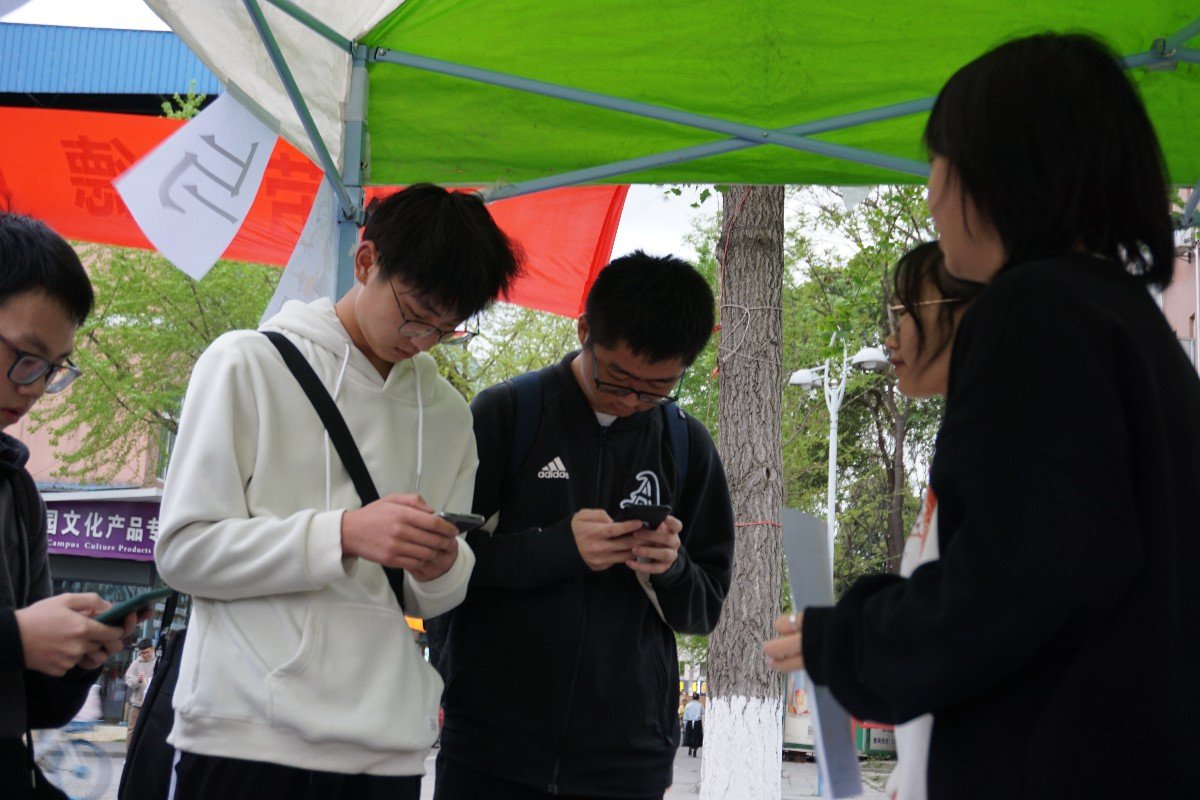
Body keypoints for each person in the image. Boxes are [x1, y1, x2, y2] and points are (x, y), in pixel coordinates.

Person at [764, 33, 1200, 798]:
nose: (932, 194)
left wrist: (851, 640)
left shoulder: (1037, 309)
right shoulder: (1130, 325)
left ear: (1003, 170)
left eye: (942, 162)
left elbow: (1012, 582)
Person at [155, 184, 522, 800]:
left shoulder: (448, 414)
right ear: (366, 261)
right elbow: (183, 553)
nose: (422, 340)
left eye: (445, 329)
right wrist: (344, 534)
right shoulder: (246, 364)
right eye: (416, 313)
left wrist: (442, 564)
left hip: (386, 748)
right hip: (245, 735)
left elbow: (431, 598)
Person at [433, 251, 735, 799]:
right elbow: (439, 568)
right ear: (584, 331)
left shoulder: (687, 445)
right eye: (616, 378)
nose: (631, 401)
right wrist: (556, 549)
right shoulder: (507, 414)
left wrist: (670, 570)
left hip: (627, 760)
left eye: (656, 389)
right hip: (491, 749)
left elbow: (705, 609)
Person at [0, 212, 134, 798]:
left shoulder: (17, 491)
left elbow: (33, 707)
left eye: (52, 368)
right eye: (26, 356)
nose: (33, 387)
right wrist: (17, 636)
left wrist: (81, 655)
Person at [881, 242, 981, 800]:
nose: (889, 338)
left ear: (963, 312)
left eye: (902, 312)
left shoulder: (998, 447)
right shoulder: (961, 438)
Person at [124, 637, 156, 735]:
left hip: (153, 703)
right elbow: (128, 680)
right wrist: (138, 680)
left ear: (153, 648)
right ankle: (130, 746)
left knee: (150, 731)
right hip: (138, 704)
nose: (144, 655)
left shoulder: (159, 661)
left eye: (146, 652)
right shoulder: (137, 663)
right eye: (142, 653)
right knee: (132, 730)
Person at [681, 693, 703, 758]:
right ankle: (695, 751)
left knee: (689, 736)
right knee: (697, 737)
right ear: (698, 698)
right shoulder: (700, 705)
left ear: (692, 698)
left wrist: (685, 724)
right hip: (697, 723)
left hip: (689, 722)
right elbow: (703, 714)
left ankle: (690, 747)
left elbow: (685, 716)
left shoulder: (688, 705)